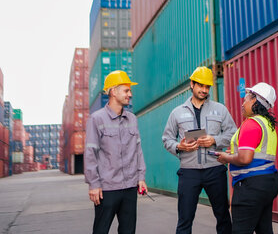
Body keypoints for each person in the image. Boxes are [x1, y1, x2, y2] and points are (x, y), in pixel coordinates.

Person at [162, 66, 237, 234]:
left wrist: (215, 140)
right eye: (200, 86)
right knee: (185, 219)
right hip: (189, 172)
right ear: (192, 85)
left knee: (223, 216)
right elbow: (166, 139)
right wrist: (179, 147)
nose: (204, 90)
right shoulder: (177, 113)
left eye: (207, 87)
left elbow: (233, 133)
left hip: (215, 170)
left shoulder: (220, 109)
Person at [84, 70, 147, 234]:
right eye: (126, 90)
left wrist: (141, 178)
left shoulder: (132, 119)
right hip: (107, 188)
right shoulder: (96, 119)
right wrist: (93, 184)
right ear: (113, 91)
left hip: (130, 187)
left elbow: (138, 150)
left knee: (128, 231)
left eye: (130, 91)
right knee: (101, 230)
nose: (130, 94)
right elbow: (90, 153)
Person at [216, 82, 278, 234]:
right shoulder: (268, 124)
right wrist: (233, 154)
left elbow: (245, 158)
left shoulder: (251, 124)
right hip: (269, 182)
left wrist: (226, 157)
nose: (243, 103)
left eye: (246, 99)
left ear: (254, 100)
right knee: (264, 230)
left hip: (251, 186)